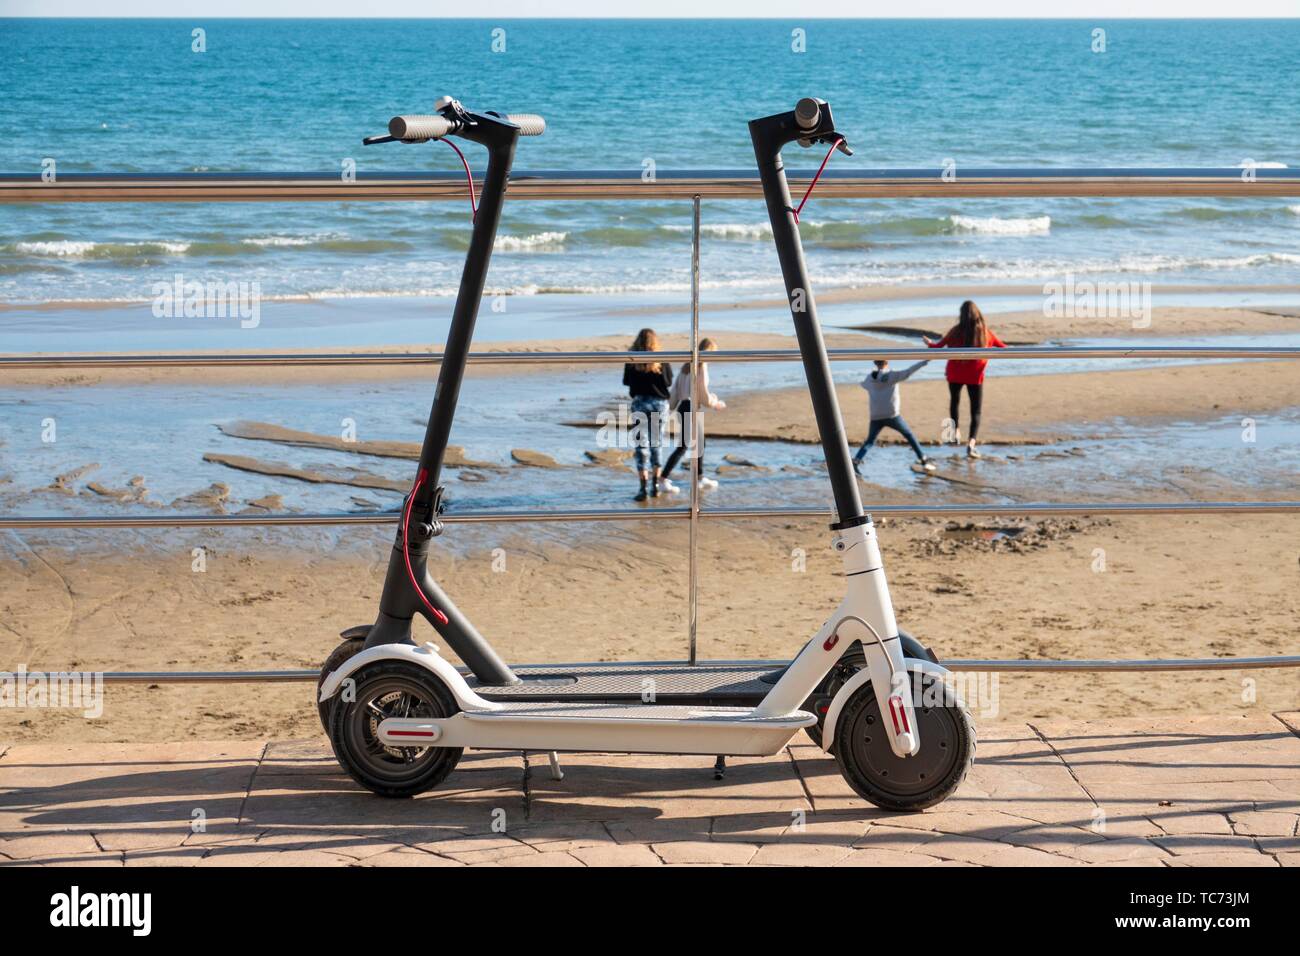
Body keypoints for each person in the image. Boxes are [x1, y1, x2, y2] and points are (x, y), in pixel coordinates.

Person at [923, 300, 1007, 458]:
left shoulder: (955, 331)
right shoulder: (984, 333)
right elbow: (1003, 348)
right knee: (976, 410)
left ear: (961, 315)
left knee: (954, 402)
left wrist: (929, 343)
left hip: (955, 374)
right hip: (974, 376)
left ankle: (956, 432)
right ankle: (971, 444)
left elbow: (938, 347)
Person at [661, 338, 726, 493]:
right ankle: (663, 479)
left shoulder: (686, 366)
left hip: (683, 407)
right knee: (687, 446)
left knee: (697, 445)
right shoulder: (701, 366)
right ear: (709, 352)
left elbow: (675, 391)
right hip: (691, 407)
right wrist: (715, 403)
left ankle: (699, 478)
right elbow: (702, 393)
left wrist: (670, 407)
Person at [854, 358, 936, 474]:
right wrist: (924, 361)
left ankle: (856, 461)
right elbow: (909, 371)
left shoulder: (870, 377)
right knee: (909, 435)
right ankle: (923, 458)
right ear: (887, 362)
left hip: (875, 415)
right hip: (892, 415)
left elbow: (863, 385)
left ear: (875, 363)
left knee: (870, 441)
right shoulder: (892, 375)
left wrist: (876, 381)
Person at [622, 328, 673, 501]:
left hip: (640, 402)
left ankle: (643, 487)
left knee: (640, 446)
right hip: (659, 403)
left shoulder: (632, 359)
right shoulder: (661, 358)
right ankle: (655, 485)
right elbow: (668, 381)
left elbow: (626, 381)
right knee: (656, 444)